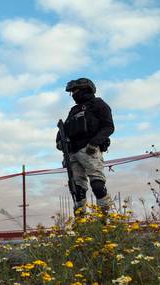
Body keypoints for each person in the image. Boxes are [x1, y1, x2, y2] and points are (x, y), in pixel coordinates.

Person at [56, 78, 115, 215]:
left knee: (97, 185)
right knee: (78, 190)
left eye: (75, 91)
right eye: (72, 92)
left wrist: (94, 143)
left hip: (90, 149)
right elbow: (62, 131)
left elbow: (108, 127)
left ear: (85, 89)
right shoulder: (73, 110)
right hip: (72, 153)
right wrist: (60, 143)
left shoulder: (98, 104)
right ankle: (81, 221)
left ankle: (106, 218)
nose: (74, 95)